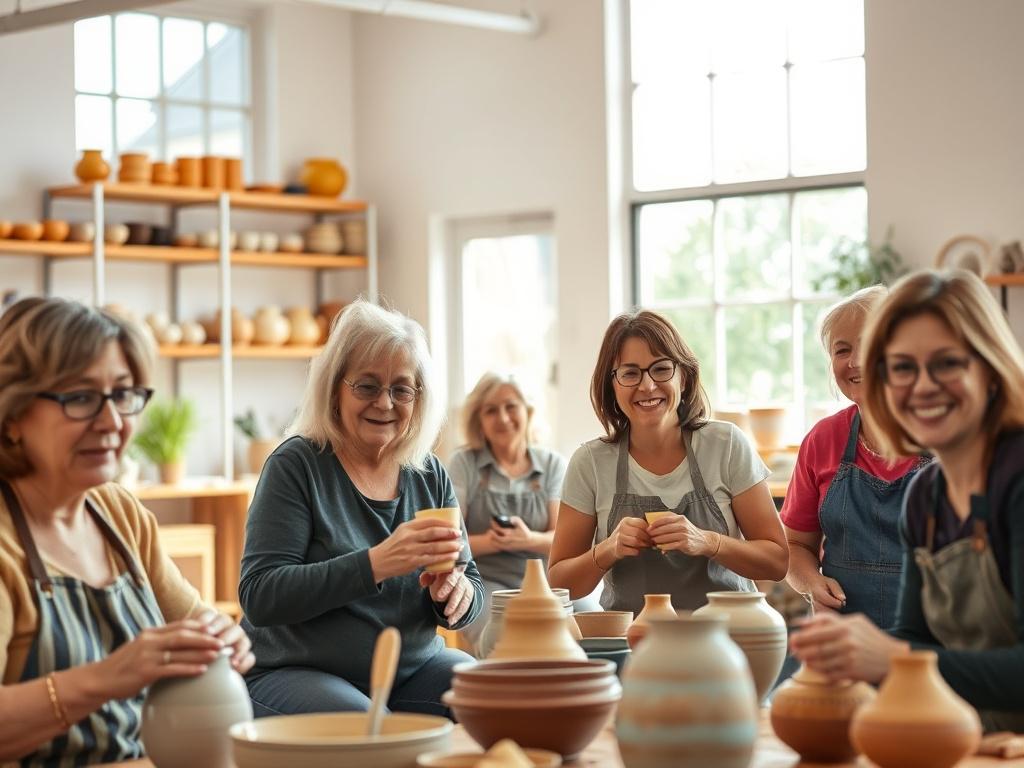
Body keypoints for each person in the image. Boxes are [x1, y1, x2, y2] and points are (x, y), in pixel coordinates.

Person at [0, 297, 253, 765]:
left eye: (122, 394)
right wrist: (110, 676)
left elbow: (194, 622)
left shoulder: (119, 513)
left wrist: (222, 638)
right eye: (79, 397)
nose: (113, 422)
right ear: (12, 415)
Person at [790, 269, 1024, 731]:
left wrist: (893, 656)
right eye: (902, 367)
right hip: (962, 739)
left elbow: (911, 652)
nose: (921, 386)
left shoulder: (1015, 478)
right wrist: (843, 657)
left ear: (990, 366)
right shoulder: (929, 495)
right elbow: (918, 636)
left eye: (946, 363)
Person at [239, 299, 483, 719]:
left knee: (491, 698)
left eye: (401, 388)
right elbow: (260, 595)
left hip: (411, 670)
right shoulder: (297, 465)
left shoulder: (428, 474)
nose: (385, 403)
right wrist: (375, 564)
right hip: (295, 671)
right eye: (367, 386)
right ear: (336, 388)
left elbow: (470, 580)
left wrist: (457, 597)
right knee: (371, 733)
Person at [547, 309, 788, 613]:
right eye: (630, 373)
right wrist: (607, 550)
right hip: (634, 641)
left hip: (728, 637)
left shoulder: (726, 445)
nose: (647, 386)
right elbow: (559, 583)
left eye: (661, 369)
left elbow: (777, 562)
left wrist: (708, 541)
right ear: (612, 385)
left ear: (684, 377)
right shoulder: (590, 463)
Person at [782, 286, 928, 628]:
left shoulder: (947, 438)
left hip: (935, 645)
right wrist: (812, 584)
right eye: (841, 350)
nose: (855, 361)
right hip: (843, 640)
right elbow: (793, 546)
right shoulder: (823, 439)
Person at [448, 373, 596, 653]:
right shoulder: (463, 463)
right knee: (502, 638)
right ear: (479, 419)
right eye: (491, 410)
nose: (503, 418)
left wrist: (527, 540)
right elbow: (452, 540)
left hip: (548, 584)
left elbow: (564, 540)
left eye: (510, 406)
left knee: (592, 624)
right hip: (485, 583)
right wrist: (492, 542)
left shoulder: (552, 464)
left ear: (527, 412)